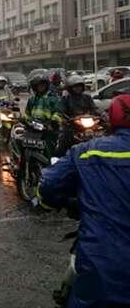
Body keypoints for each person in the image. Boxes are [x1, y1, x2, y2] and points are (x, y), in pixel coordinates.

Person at [38, 94, 130, 308]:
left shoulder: (87, 151)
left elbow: (48, 185)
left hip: (101, 265)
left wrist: (49, 202)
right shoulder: (62, 101)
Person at [56, 75, 99, 156]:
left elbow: (94, 108)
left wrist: (98, 115)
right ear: (70, 88)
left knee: (99, 136)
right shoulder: (66, 98)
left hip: (87, 124)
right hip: (72, 125)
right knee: (64, 139)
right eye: (75, 86)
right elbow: (60, 110)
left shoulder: (87, 97)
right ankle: (59, 157)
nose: (77, 88)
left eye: (79, 86)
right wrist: (63, 118)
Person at [25, 74, 62, 155]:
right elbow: (27, 113)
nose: (41, 87)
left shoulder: (52, 98)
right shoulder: (32, 99)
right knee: (26, 146)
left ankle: (50, 164)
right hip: (34, 126)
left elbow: (58, 112)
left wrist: (53, 122)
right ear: (35, 87)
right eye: (39, 85)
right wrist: (27, 121)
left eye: (43, 85)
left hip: (48, 127)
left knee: (50, 149)